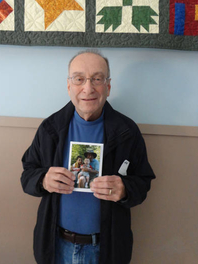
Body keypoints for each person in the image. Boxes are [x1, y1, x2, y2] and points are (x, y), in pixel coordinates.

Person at [21, 50, 155, 264]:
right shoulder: (50, 129)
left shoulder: (126, 131)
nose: (88, 88)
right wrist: (43, 179)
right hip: (56, 246)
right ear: (69, 86)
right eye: (79, 79)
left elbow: (143, 182)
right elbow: (27, 174)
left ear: (108, 87)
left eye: (97, 79)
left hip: (106, 248)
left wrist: (124, 189)